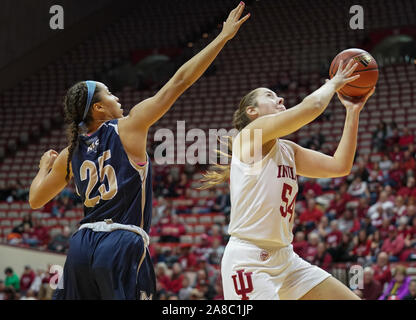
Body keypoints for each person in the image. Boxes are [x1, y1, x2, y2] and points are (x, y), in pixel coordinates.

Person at [28, 3, 250, 300]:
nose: (117, 96)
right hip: (121, 241)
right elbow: (179, 82)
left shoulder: (71, 153)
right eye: (109, 93)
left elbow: (35, 199)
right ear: (98, 108)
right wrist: (222, 37)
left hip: (81, 245)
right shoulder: (128, 127)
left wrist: (44, 165)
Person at [201, 59, 375, 299]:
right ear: (252, 111)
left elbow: (340, 166)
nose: (280, 99)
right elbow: (312, 106)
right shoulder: (250, 136)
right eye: (270, 96)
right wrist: (335, 83)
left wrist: (352, 111)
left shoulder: (288, 150)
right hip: (249, 260)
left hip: (286, 258)